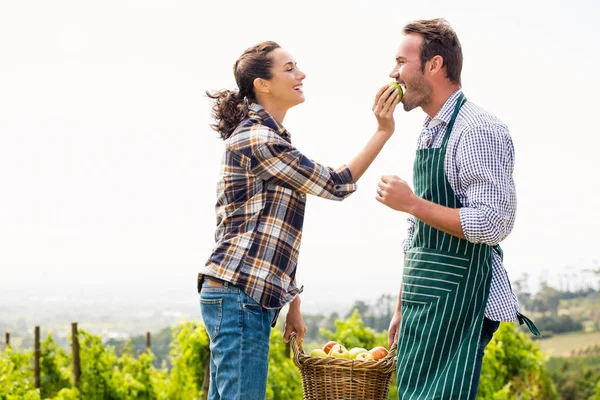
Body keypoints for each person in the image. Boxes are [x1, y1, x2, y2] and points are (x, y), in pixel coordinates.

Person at [198, 40, 400, 400]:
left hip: (242, 294)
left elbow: (270, 230)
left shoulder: (268, 138)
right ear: (263, 84)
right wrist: (383, 131)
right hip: (240, 295)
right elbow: (336, 185)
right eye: (289, 68)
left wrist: (292, 301)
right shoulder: (258, 140)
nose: (301, 74)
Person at [376, 19, 539, 400]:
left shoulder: (477, 129)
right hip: (423, 301)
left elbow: (492, 222)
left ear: (434, 65)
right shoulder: (430, 129)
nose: (392, 72)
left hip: (460, 299)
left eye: (401, 61)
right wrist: (402, 305)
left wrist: (411, 202)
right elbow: (416, 233)